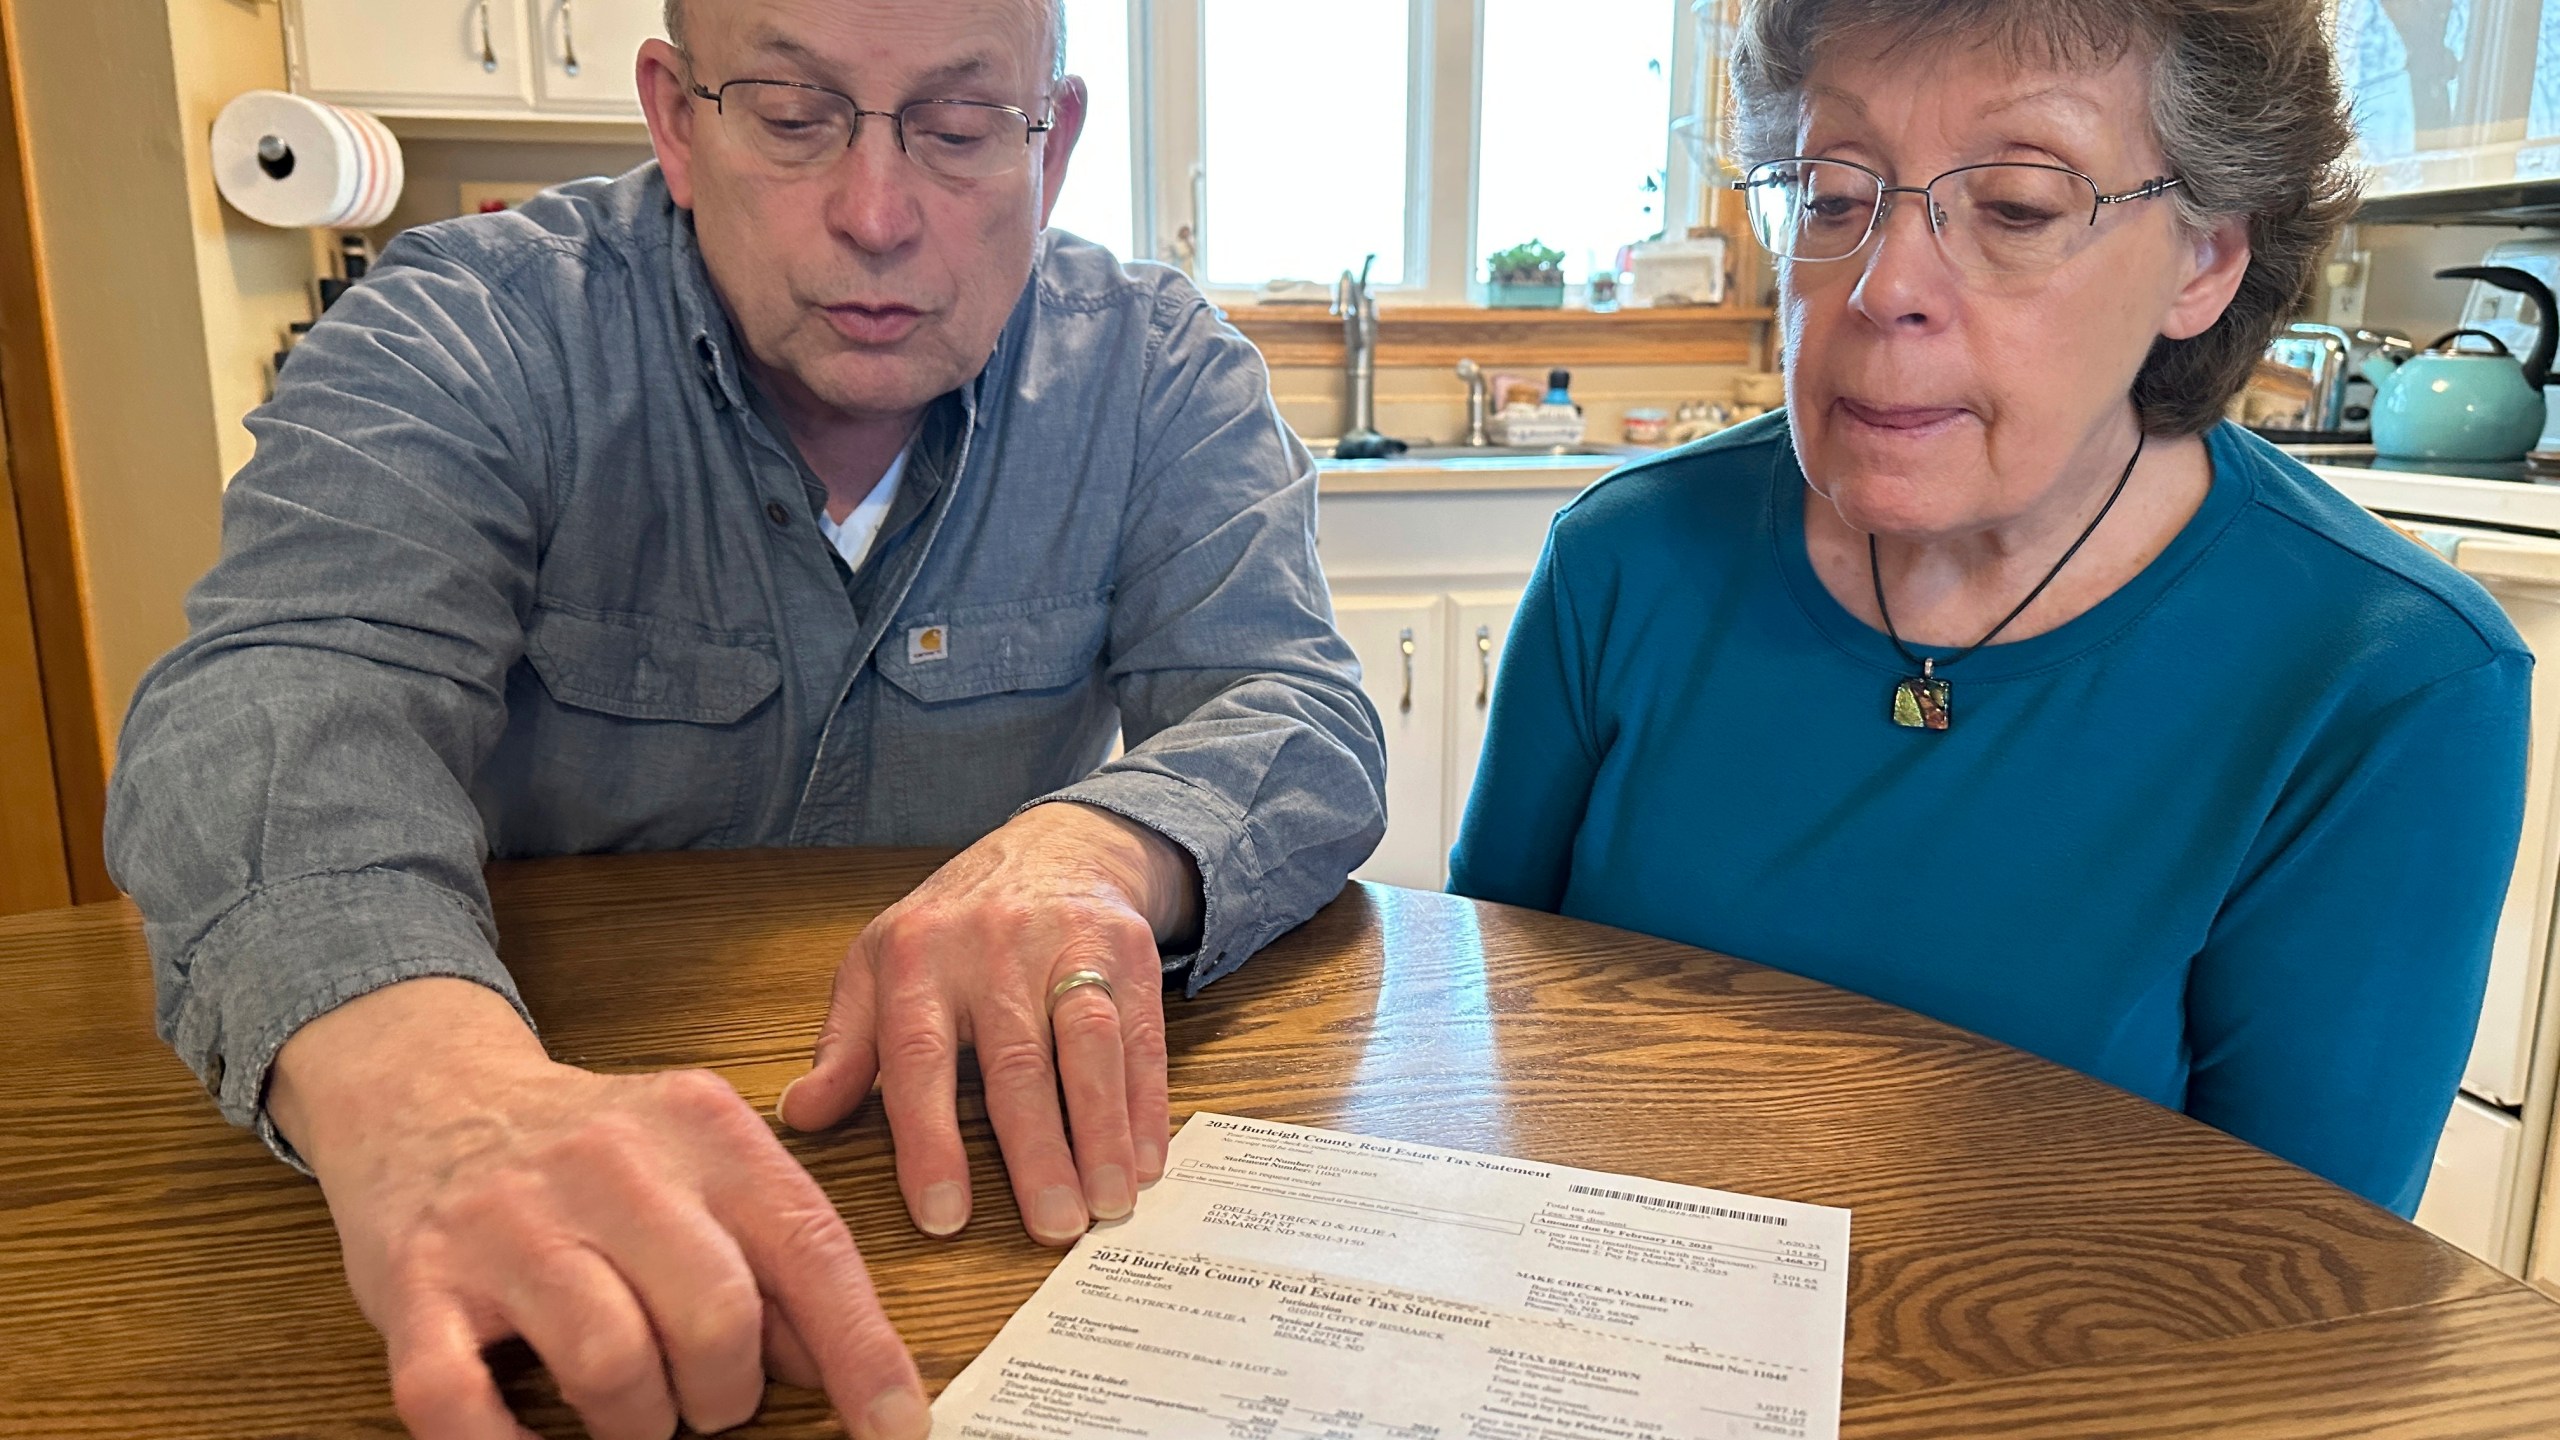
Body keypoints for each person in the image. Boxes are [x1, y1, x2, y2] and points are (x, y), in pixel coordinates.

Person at [105, 0, 1386, 1435]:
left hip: (985, 1191)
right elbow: (278, 694)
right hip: (500, 1173)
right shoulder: (462, 328)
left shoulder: (1158, 375)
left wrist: (1094, 851)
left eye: (963, 131)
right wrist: (433, 1092)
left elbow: (1296, 706)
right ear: (674, 117)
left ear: (1056, 141)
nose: (878, 214)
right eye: (791, 116)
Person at [1452, 0, 2529, 1221]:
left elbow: (2295, 1269)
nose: (1881, 284)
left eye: (2017, 205)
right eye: (1829, 191)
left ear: (2205, 258)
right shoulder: (1625, 558)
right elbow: (1484, 1043)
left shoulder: (2386, 684)